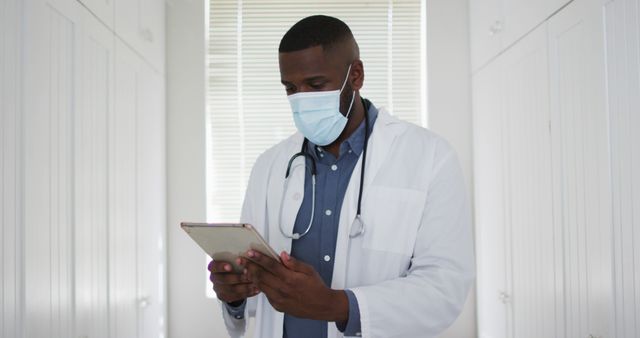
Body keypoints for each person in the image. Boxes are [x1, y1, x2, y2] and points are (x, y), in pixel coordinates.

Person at [208, 15, 474, 338]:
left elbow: (443, 289)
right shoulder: (269, 165)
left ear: (356, 75)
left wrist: (338, 305)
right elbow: (255, 288)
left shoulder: (430, 157)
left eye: (316, 85)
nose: (301, 99)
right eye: (291, 88)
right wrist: (234, 294)